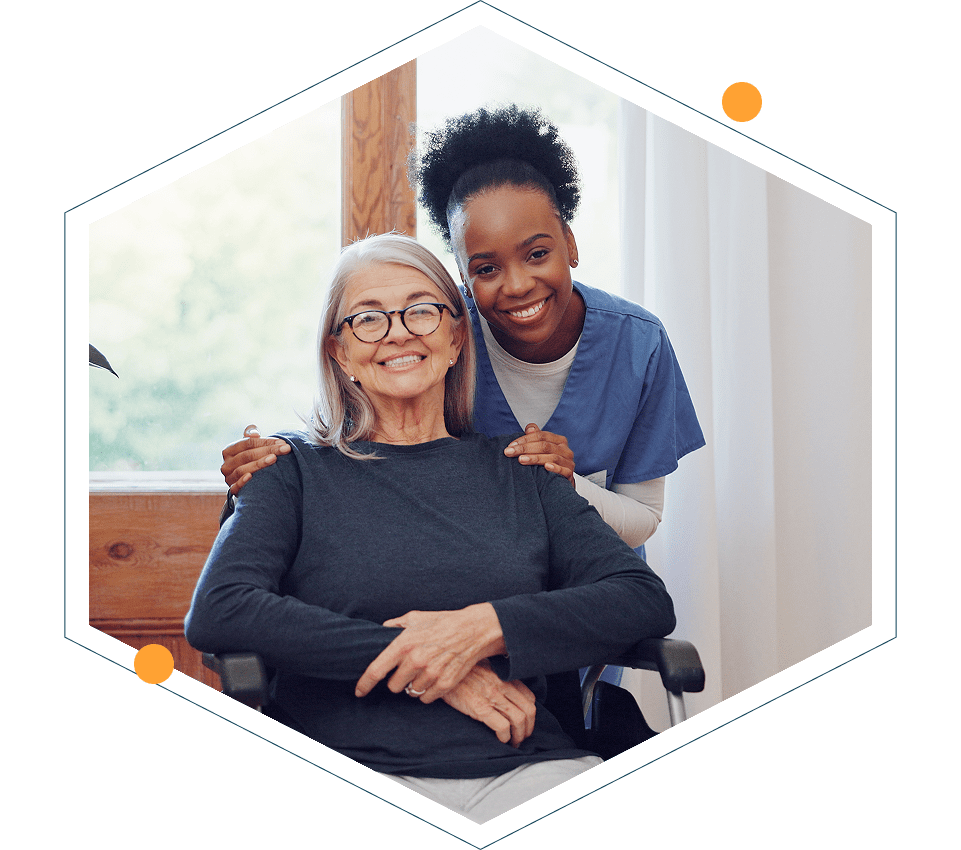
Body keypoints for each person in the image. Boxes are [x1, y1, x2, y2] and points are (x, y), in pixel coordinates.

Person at [186, 234, 675, 823]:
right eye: (367, 318)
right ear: (338, 352)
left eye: (421, 310)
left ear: (455, 336)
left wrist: (482, 629)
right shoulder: (288, 471)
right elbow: (222, 608)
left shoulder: (524, 470)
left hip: (529, 772)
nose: (398, 332)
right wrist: (428, 662)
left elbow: (641, 600)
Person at [219, 105, 705, 552]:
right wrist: (281, 457)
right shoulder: (437, 338)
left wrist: (564, 480)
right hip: (477, 577)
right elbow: (369, 438)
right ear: (461, 277)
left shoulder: (639, 344)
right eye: (486, 268)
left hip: (593, 583)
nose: (517, 285)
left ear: (570, 243)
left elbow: (643, 517)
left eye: (538, 253)